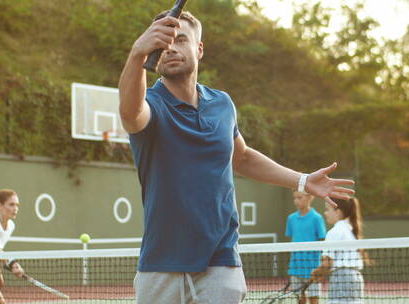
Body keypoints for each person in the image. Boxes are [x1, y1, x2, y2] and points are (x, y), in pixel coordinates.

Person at [118, 10, 355, 304]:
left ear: (200, 49)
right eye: (162, 43)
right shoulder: (150, 105)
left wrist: (303, 180)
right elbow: (130, 113)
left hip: (221, 261)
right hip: (161, 264)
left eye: (180, 40)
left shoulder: (222, 104)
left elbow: (241, 157)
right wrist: (137, 54)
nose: (171, 49)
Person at [311, 197, 365, 304]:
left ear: (337, 212)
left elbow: (327, 263)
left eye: (327, 209)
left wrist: (316, 272)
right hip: (356, 278)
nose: (325, 213)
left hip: (341, 278)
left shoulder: (334, 232)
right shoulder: (350, 229)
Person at [285, 192, 326, 304]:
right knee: (300, 299)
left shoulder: (317, 218)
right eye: (294, 198)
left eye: (299, 197)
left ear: (310, 197)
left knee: (314, 299)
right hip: (296, 267)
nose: (296, 201)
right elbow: (292, 241)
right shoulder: (291, 218)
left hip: (313, 268)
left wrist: (322, 267)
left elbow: (323, 242)